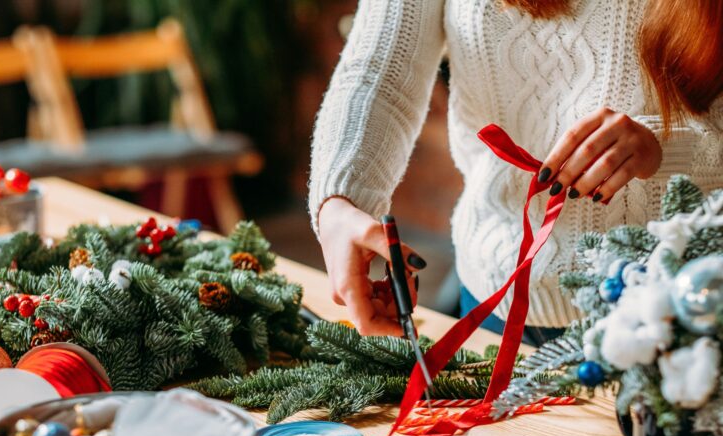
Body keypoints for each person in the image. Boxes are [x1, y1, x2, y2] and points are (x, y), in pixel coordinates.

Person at [309, 0, 723, 343]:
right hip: (494, 301)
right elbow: (379, 72)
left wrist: (666, 147)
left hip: (685, 306)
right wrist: (341, 202)